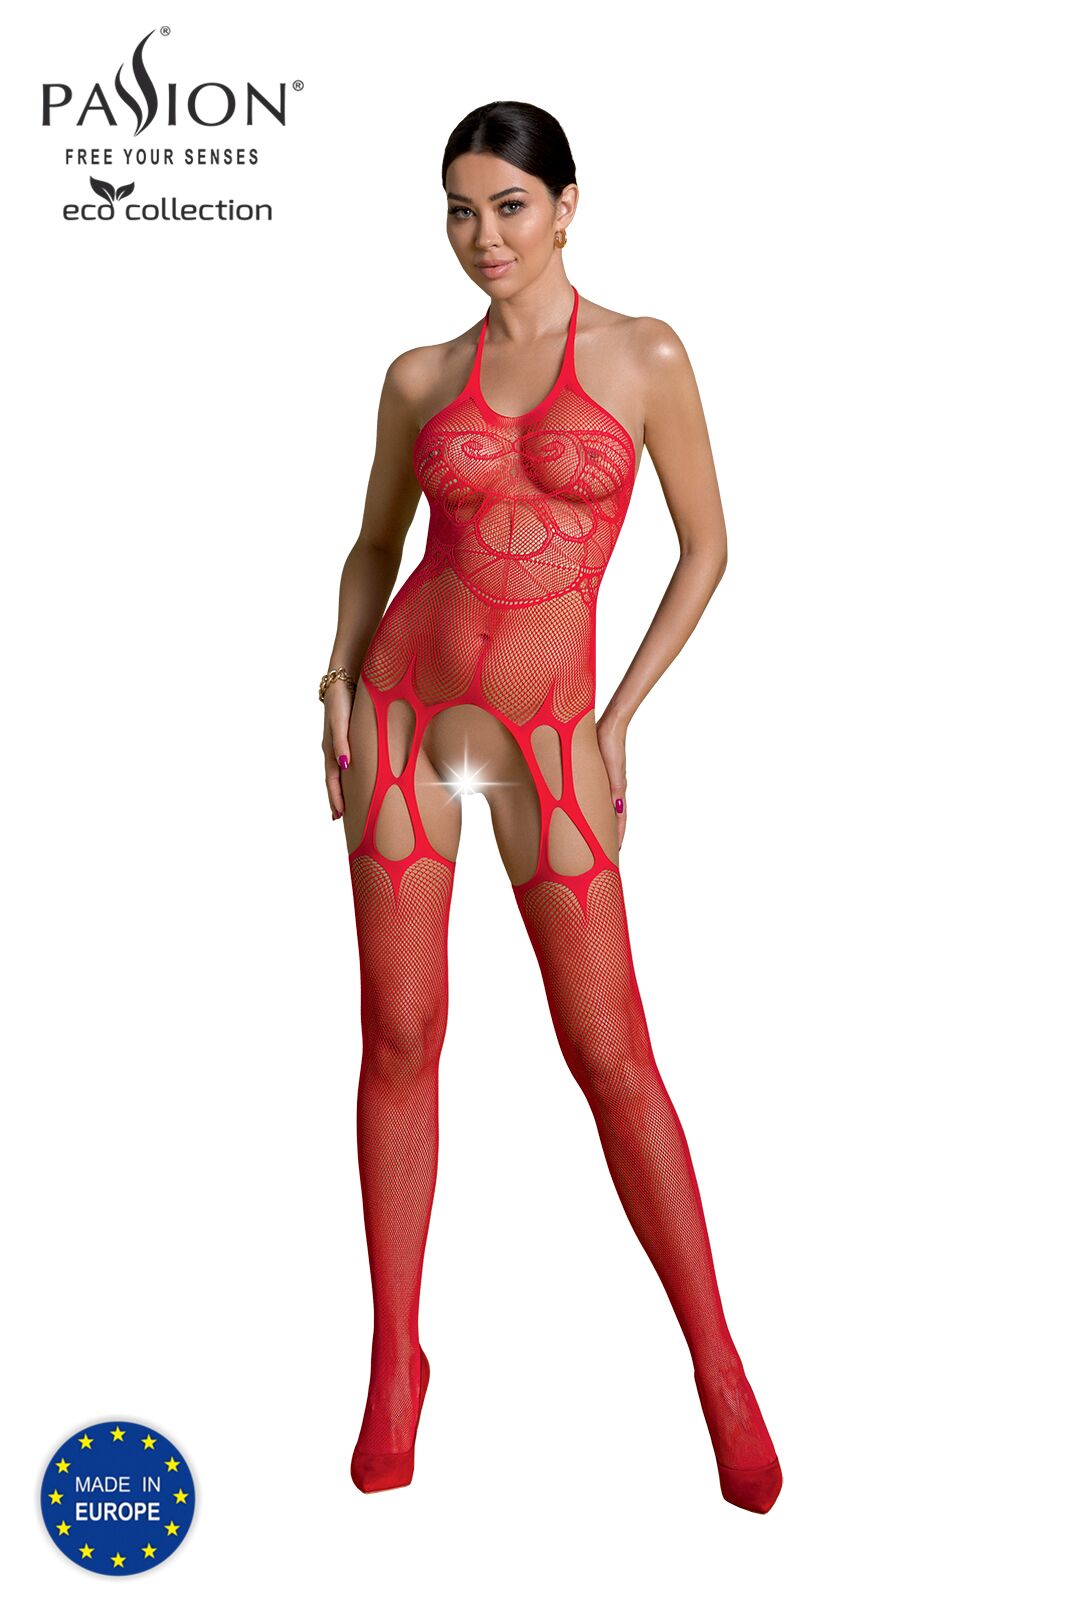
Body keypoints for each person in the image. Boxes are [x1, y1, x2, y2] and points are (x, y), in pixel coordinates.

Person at [320, 100, 782, 1514]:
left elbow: (707, 547)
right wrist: (335, 678)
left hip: (547, 732)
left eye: (509, 207)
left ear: (567, 205)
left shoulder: (645, 356)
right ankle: (394, 1361)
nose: (484, 238)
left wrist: (619, 717)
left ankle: (717, 1365)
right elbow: (376, 544)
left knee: (608, 1049)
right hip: (403, 709)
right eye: (461, 212)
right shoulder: (418, 377)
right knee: (401, 1029)